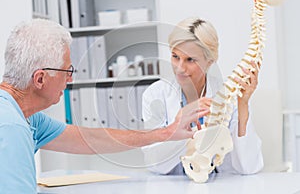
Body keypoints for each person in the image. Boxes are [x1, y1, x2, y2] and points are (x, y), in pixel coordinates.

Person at [0, 19, 210, 193]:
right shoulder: (12, 128)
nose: (70, 80)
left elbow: (90, 139)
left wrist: (166, 133)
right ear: (40, 79)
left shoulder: (26, 117)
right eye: (67, 71)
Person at [142, 17, 264, 175]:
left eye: (190, 60)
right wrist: (178, 129)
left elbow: (248, 167)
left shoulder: (229, 96)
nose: (180, 68)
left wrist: (243, 106)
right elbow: (154, 164)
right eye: (175, 57)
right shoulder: (154, 95)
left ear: (210, 61)